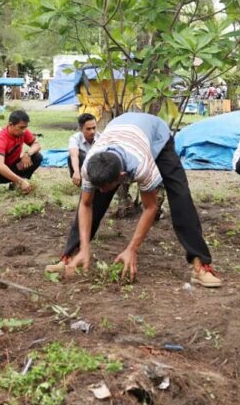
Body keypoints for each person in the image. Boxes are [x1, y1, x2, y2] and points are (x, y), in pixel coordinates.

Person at [45, 112, 223, 288]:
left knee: (180, 195)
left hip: (157, 135)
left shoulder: (142, 167)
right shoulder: (90, 165)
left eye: (107, 187)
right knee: (95, 198)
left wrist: (132, 249)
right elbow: (86, 204)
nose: (102, 191)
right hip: (121, 128)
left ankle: (201, 266)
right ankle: (71, 256)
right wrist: (85, 247)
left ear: (122, 177)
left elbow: (150, 208)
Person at [0, 109, 43, 194]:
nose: (24, 130)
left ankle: (14, 183)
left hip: (11, 168)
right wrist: (21, 181)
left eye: (25, 127)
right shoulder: (1, 139)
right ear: (11, 124)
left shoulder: (23, 132)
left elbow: (37, 145)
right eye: (21, 127)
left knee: (37, 156)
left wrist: (28, 154)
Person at [68, 113, 101, 186]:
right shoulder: (74, 138)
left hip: (97, 167)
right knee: (77, 155)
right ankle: (79, 179)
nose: (92, 131)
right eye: (88, 129)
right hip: (83, 166)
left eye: (94, 128)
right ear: (80, 129)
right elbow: (74, 155)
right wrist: (76, 172)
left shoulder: (101, 138)